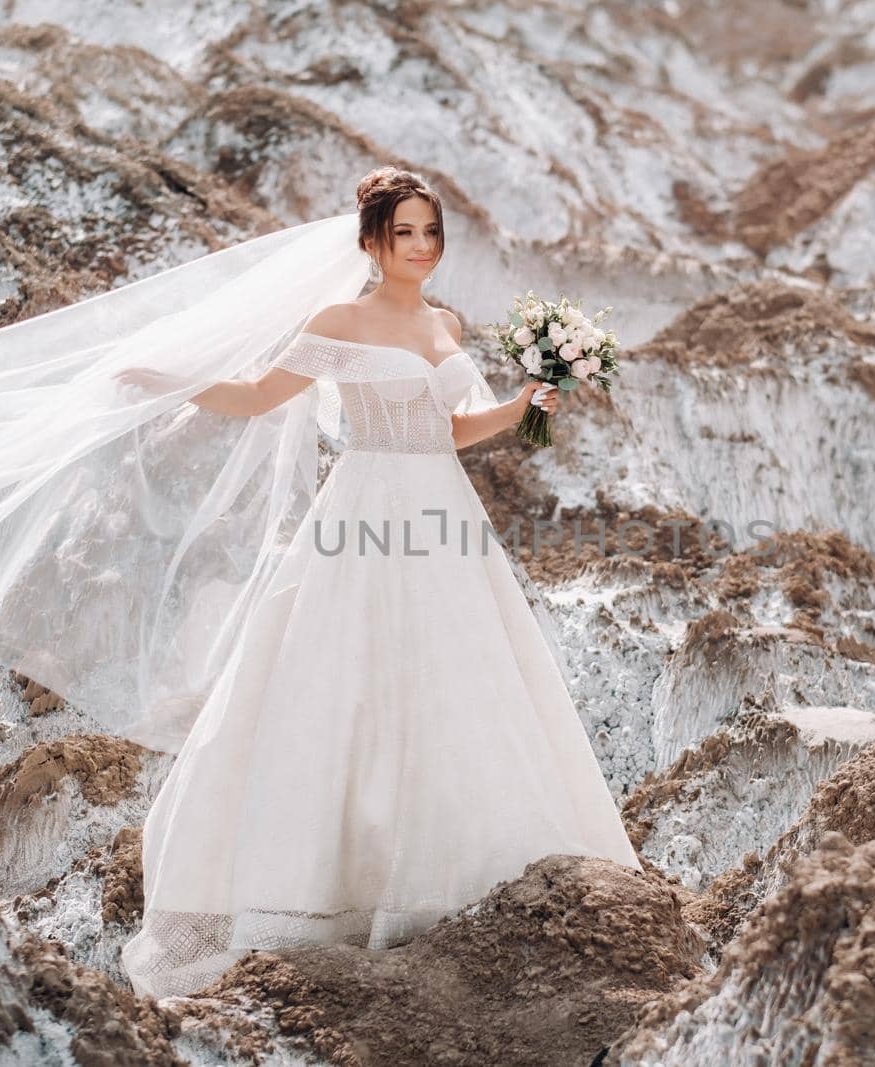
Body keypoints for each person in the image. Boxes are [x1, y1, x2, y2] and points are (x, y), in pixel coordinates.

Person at [108, 165, 647, 998]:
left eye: (432, 232)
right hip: (365, 510)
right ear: (371, 241)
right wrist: (169, 380)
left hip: (443, 515)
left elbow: (455, 429)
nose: (422, 248)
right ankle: (333, 886)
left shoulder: (446, 322)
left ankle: (462, 872)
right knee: (341, 681)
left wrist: (527, 403)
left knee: (460, 684)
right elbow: (256, 398)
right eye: (405, 233)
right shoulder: (341, 321)